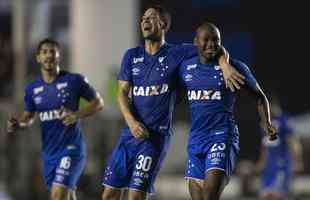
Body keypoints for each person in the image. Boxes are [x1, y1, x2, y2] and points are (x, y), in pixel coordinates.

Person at [101, 5, 245, 200]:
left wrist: (225, 65)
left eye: (151, 17)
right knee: (109, 194)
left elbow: (212, 46)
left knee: (135, 196)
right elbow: (122, 93)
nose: (144, 21)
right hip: (129, 135)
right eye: (143, 18)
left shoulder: (178, 53)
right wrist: (132, 122)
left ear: (163, 24)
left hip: (154, 138)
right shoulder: (131, 55)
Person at [179, 22, 277, 200]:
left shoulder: (234, 68)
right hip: (196, 140)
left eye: (215, 40)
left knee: (210, 196)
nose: (211, 44)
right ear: (195, 42)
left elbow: (260, 97)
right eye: (206, 40)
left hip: (222, 136)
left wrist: (267, 123)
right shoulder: (185, 68)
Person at [6, 38, 104, 200]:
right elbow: (29, 116)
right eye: (44, 52)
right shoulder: (32, 89)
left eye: (53, 51)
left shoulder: (74, 81)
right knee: (67, 196)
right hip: (49, 153)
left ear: (59, 56)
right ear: (38, 57)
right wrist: (19, 124)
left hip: (71, 149)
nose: (49, 55)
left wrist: (75, 115)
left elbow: (98, 103)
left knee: (58, 196)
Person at [256, 95, 303, 200]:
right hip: (269, 167)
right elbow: (265, 145)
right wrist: (261, 162)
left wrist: (297, 161)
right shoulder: (264, 124)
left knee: (277, 195)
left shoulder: (284, 120)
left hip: (282, 165)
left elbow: (293, 142)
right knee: (265, 195)